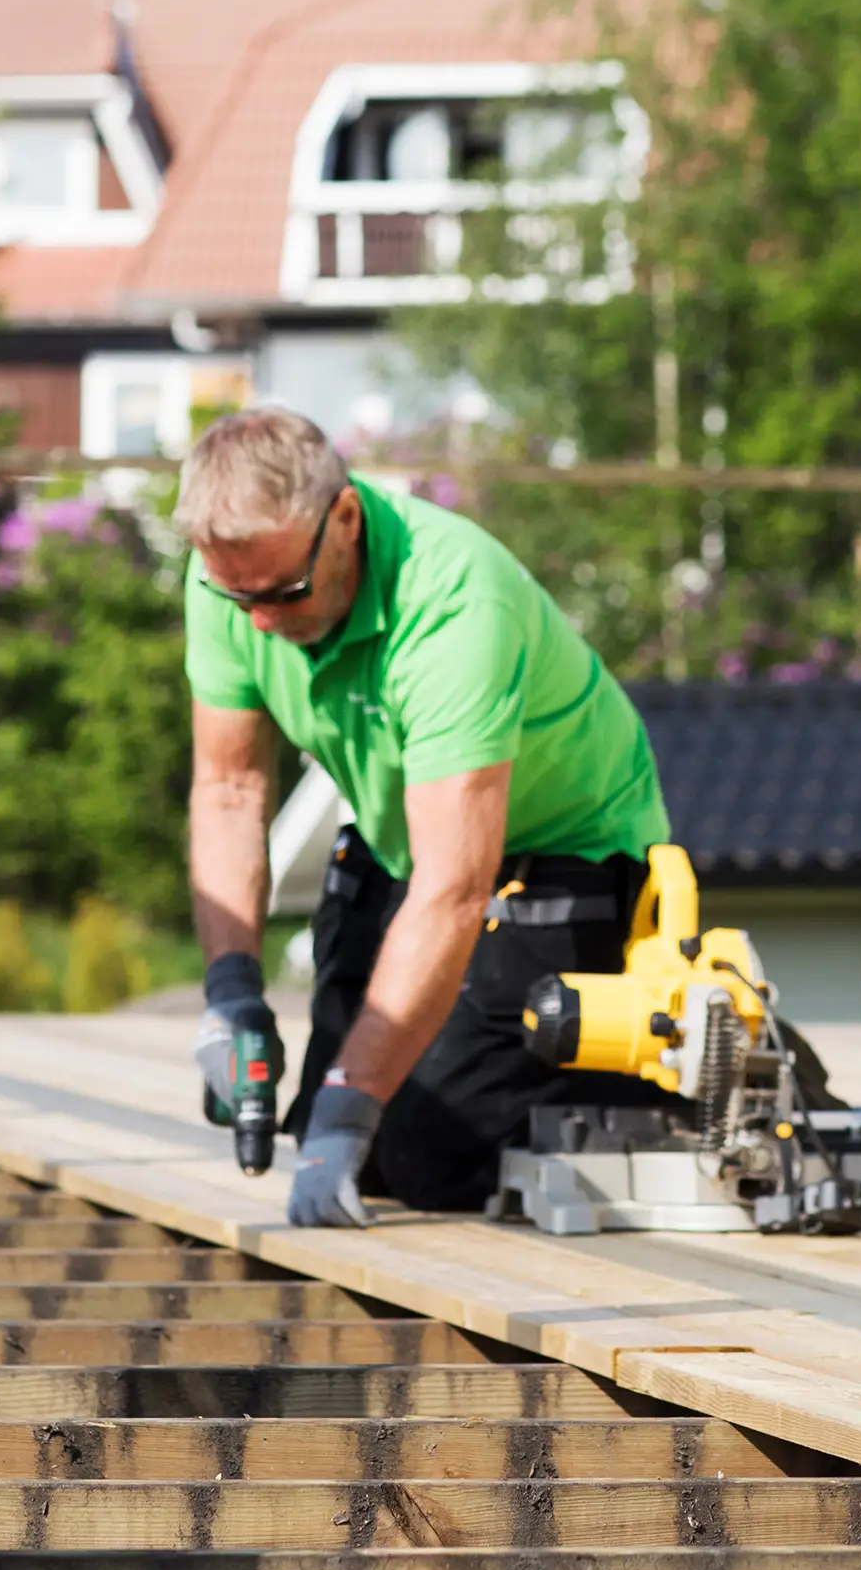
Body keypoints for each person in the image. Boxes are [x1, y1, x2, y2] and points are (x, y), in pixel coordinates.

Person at [178, 408, 683, 1227]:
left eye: (285, 592)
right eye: (239, 598)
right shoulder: (233, 579)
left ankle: (697, 1060)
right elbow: (229, 789)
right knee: (337, 1129)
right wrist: (231, 996)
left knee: (421, 1150)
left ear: (343, 518)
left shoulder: (454, 603)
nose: (260, 622)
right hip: (403, 845)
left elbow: (456, 888)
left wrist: (354, 1110)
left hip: (563, 856)